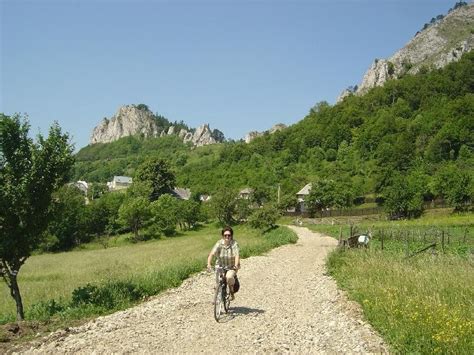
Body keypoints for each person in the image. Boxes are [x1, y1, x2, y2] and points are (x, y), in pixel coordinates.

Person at [207, 226, 240, 300]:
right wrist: (209, 264)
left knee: (228, 277)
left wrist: (236, 265)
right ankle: (217, 296)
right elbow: (211, 254)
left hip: (231, 266)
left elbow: (237, 255)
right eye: (225, 235)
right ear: (223, 236)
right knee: (218, 281)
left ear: (231, 236)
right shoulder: (219, 243)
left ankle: (231, 293)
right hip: (220, 265)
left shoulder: (234, 244)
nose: (227, 237)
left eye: (229, 235)